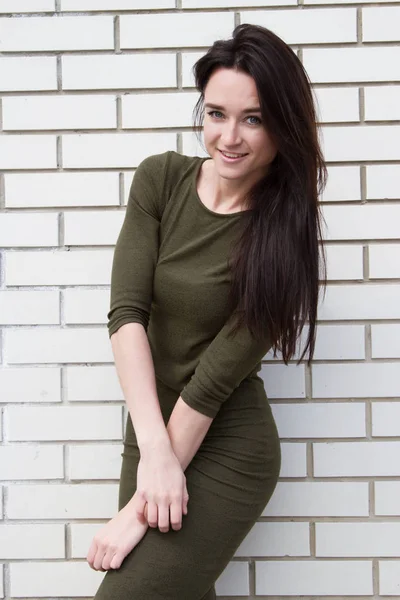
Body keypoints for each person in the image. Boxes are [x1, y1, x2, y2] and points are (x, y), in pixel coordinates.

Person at [87, 22, 327, 599]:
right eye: (216, 113)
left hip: (226, 444)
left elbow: (214, 381)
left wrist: (139, 508)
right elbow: (126, 315)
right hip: (150, 432)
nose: (229, 137)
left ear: (282, 126)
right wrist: (154, 455)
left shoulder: (283, 236)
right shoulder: (160, 179)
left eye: (254, 118)